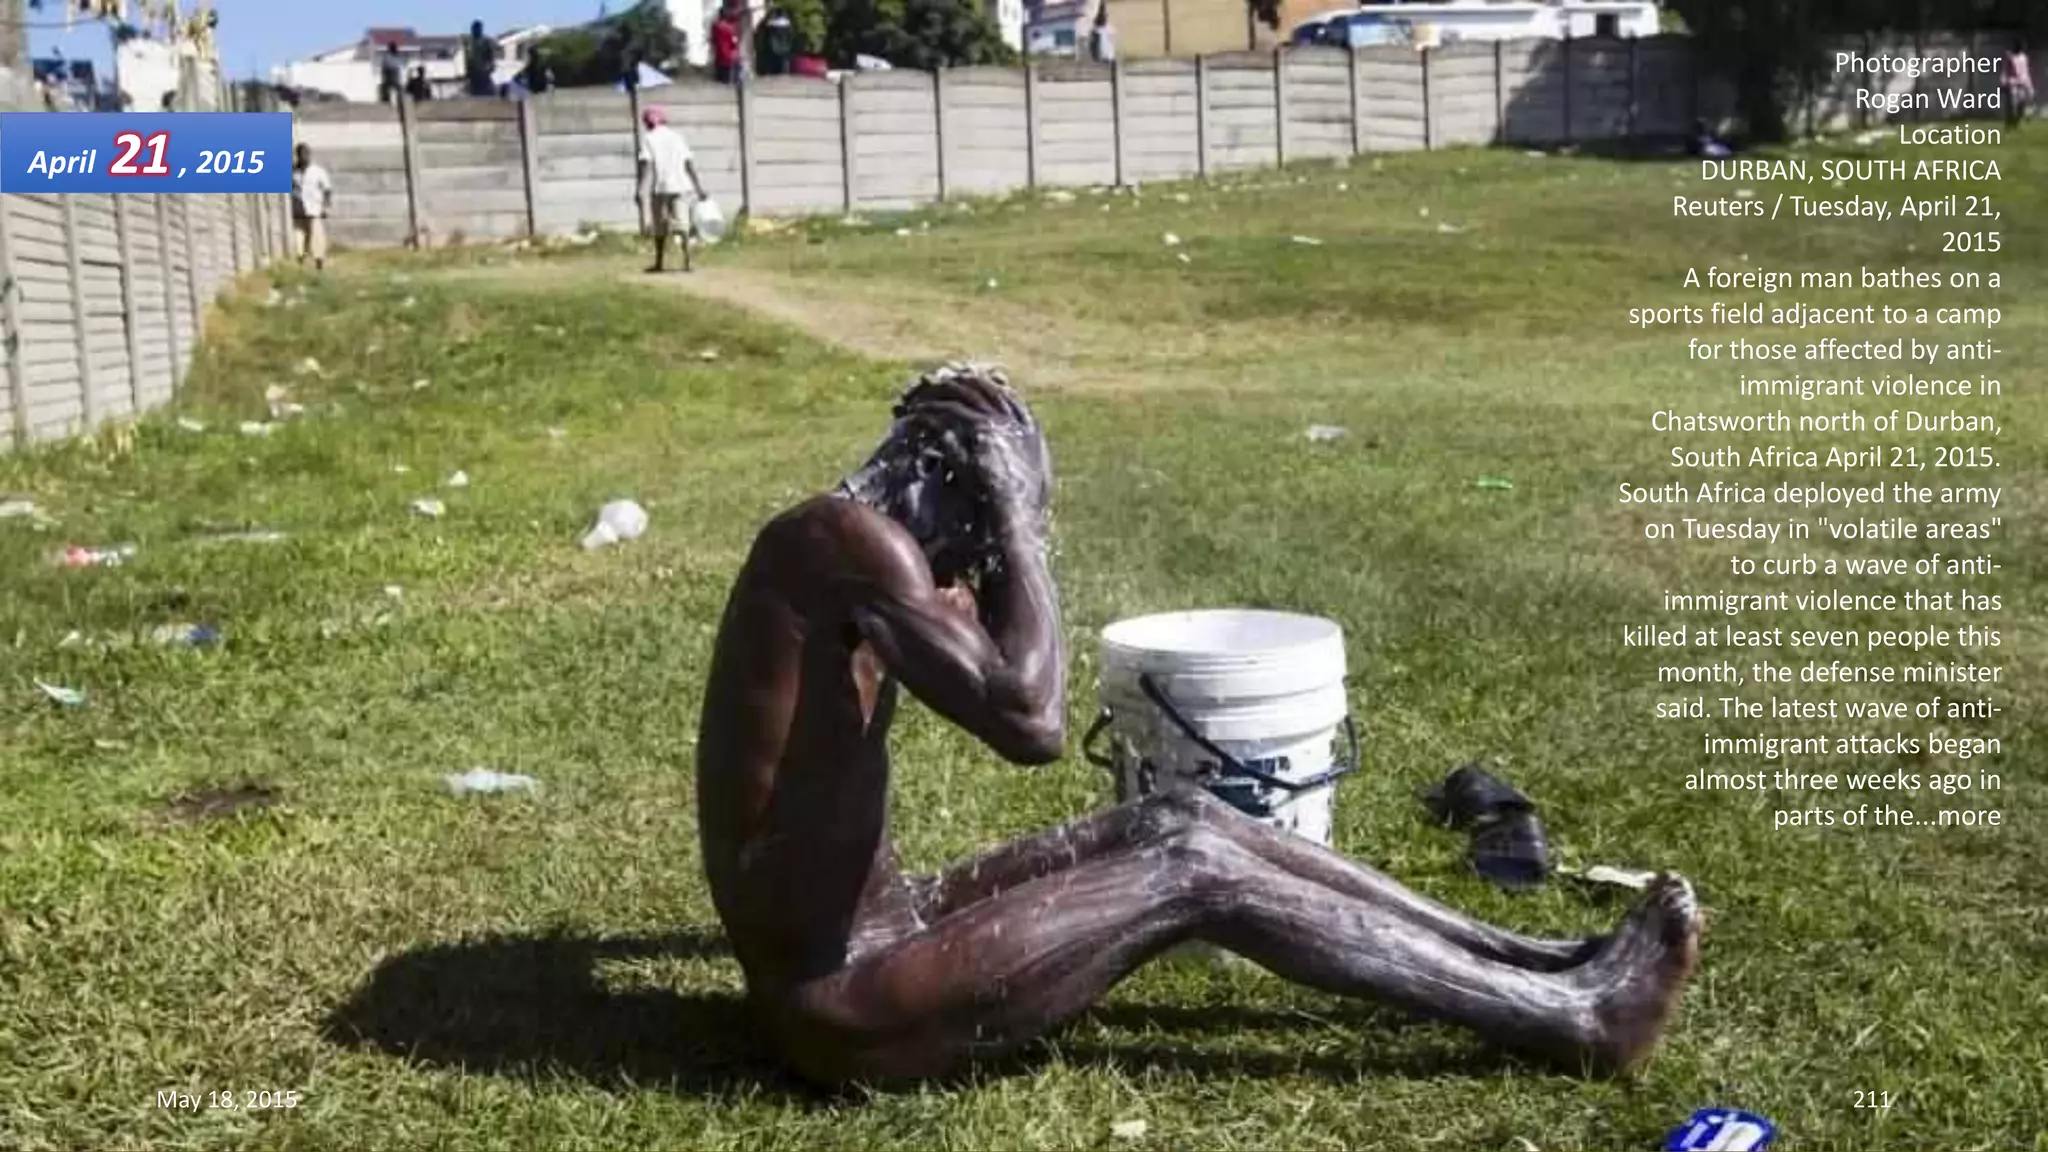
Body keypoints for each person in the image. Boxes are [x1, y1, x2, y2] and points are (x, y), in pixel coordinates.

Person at [695, 365, 1703, 1087]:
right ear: (953, 486)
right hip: (848, 1005)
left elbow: (1004, 650)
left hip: (886, 930)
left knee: (1177, 816)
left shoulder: (856, 551)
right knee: (1193, 876)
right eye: (976, 529)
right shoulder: (845, 547)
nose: (970, 565)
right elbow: (1031, 720)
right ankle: (1577, 1019)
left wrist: (1001, 527)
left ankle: (1531, 960)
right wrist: (1017, 522)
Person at [635, 106, 708, 273]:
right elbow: (688, 163)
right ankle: (687, 262)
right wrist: (699, 187)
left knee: (660, 226)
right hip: (681, 186)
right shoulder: (677, 137)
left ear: (648, 123)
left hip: (661, 187)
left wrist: (640, 189)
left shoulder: (649, 138)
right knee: (683, 225)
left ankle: (659, 263)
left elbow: (646, 165)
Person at [291, 143, 334, 272]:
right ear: (297, 156)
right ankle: (300, 257)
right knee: (299, 234)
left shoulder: (317, 171)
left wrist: (325, 206)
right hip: (298, 207)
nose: (303, 157)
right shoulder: (293, 172)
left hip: (314, 207)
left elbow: (327, 189)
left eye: (305, 154)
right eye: (300, 155)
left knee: (316, 234)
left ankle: (318, 259)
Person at [2002, 40, 2033, 129]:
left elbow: (2026, 71)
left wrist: (2029, 85)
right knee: (2012, 105)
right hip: (2013, 83)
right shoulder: (2010, 57)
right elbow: (2006, 71)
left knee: (2021, 106)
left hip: (2022, 83)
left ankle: (2015, 123)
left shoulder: (2024, 58)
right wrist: (2004, 82)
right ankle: (2009, 124)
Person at [757, 5, 796, 77]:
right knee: (783, 63)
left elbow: (763, 32)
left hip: (773, 48)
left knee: (773, 66)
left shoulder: (770, 23)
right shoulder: (787, 22)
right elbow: (791, 35)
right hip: (785, 48)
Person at [464, 20, 499, 97]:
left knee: (487, 93)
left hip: (484, 73)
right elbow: (467, 58)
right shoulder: (469, 42)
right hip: (473, 74)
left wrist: (489, 67)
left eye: (478, 28)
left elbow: (491, 57)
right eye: (474, 29)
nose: (475, 31)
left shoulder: (486, 42)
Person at [711, 4, 741, 85]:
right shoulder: (727, 27)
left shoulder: (717, 26)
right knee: (731, 77)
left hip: (722, 56)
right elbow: (732, 42)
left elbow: (713, 40)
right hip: (729, 57)